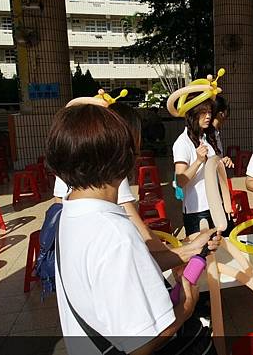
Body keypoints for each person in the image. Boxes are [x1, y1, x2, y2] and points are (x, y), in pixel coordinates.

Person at [47, 105, 219, 355]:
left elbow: (126, 268)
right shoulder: (115, 235)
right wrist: (186, 307)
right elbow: (143, 344)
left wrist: (191, 249)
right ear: (125, 156)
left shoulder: (69, 213)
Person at [53, 102, 190, 271]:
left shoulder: (70, 216)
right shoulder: (118, 234)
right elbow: (137, 228)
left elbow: (58, 202)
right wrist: (181, 256)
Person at [173, 98, 232, 236]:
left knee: (219, 250)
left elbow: (210, 168)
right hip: (197, 210)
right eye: (203, 112)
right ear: (193, 114)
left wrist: (220, 162)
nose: (208, 116)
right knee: (202, 253)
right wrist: (198, 161)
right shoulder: (182, 143)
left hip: (215, 204)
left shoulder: (205, 137)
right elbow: (180, 181)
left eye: (210, 112)